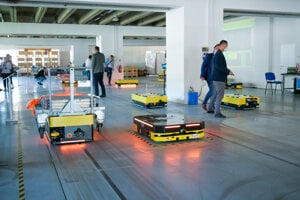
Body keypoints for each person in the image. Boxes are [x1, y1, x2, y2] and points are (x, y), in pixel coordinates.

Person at [207, 40, 234, 118]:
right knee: (220, 95)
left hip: (216, 78)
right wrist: (228, 72)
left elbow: (220, 66)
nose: (226, 47)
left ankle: (210, 108)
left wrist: (228, 71)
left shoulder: (218, 54)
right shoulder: (219, 54)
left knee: (215, 94)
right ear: (223, 45)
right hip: (219, 78)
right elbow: (219, 67)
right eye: (226, 46)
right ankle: (217, 112)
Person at [200, 44, 220, 111]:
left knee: (216, 92)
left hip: (217, 77)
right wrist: (202, 75)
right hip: (210, 77)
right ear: (214, 48)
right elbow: (203, 65)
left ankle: (212, 106)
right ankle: (204, 103)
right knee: (212, 91)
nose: (217, 50)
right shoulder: (209, 55)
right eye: (217, 48)